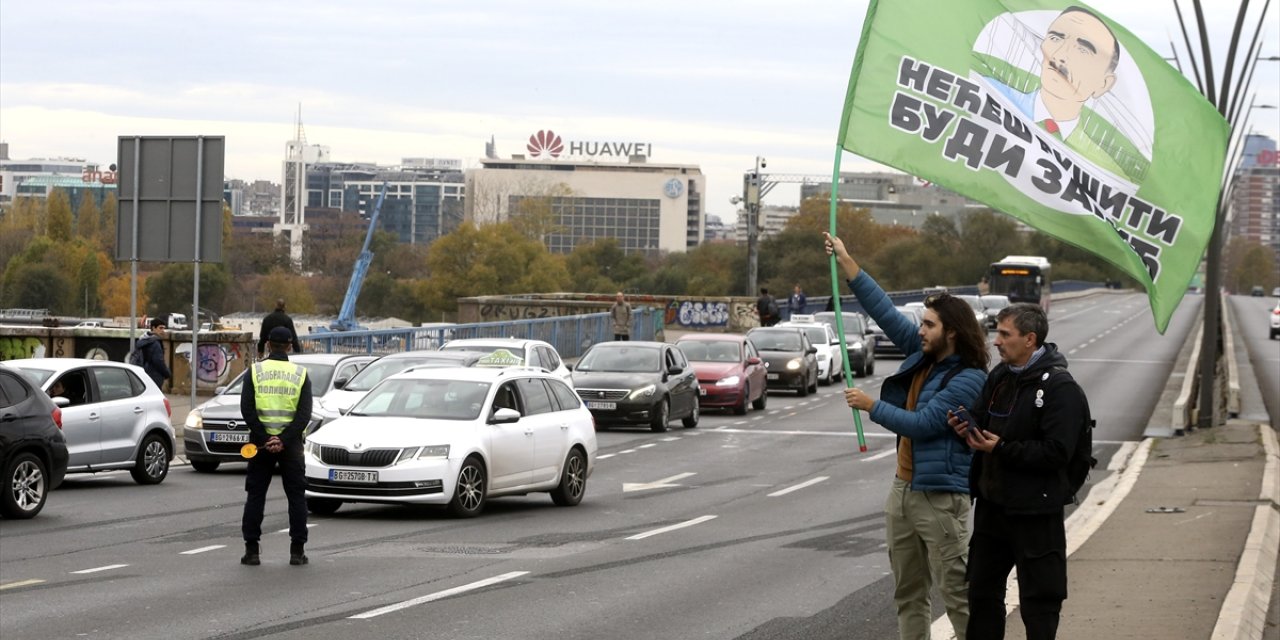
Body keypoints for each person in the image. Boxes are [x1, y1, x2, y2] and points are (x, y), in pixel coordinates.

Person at [826, 232, 988, 640]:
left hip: (939, 497)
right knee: (908, 593)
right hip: (903, 489)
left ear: (951, 332)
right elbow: (884, 311)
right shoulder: (923, 354)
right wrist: (848, 261)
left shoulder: (969, 378)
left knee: (957, 595)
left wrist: (870, 406)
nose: (920, 330)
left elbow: (925, 423)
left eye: (929, 325)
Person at [949, 303, 1087, 639]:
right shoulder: (999, 377)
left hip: (1036, 512)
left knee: (1039, 602)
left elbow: (1058, 453)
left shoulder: (1060, 388)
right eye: (996, 332)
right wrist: (968, 427)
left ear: (1030, 339)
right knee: (981, 595)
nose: (995, 341)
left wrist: (1000, 448)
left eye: (1004, 333)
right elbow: (983, 418)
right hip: (993, 507)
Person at [982, 6, 1144, 182]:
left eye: (1083, 50)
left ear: (1104, 84)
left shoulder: (1108, 172)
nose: (1060, 55)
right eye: (1055, 38)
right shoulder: (983, 92)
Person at [240, 326, 313, 567]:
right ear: (290, 346)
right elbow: (304, 415)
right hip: (291, 446)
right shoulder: (301, 374)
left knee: (256, 496)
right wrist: (283, 439)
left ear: (268, 344)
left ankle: (252, 552)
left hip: (260, 445)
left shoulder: (254, 371)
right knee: (296, 497)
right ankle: (297, 551)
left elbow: (247, 410)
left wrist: (265, 438)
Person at [136, 319, 171, 389]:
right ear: (153, 328)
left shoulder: (143, 340)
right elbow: (158, 361)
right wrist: (167, 373)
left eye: (164, 328)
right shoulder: (155, 343)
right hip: (154, 376)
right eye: (160, 328)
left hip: (143, 374)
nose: (163, 331)